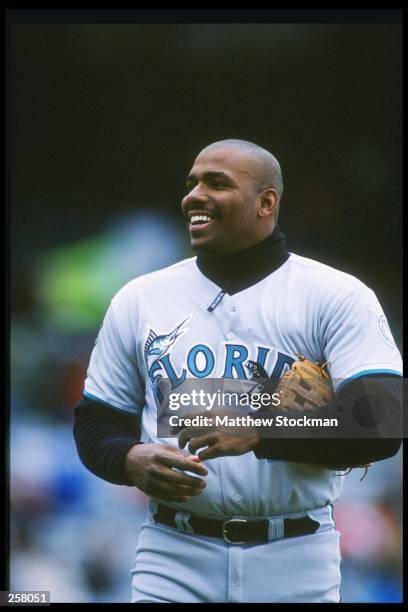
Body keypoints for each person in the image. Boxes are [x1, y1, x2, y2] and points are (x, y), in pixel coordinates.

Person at [73, 139, 402, 603]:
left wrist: (259, 431)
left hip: (295, 557)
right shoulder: (140, 298)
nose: (194, 195)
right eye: (191, 184)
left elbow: (383, 422)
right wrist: (127, 458)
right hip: (172, 554)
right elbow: (95, 423)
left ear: (267, 202)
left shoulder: (337, 295)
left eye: (217, 183)